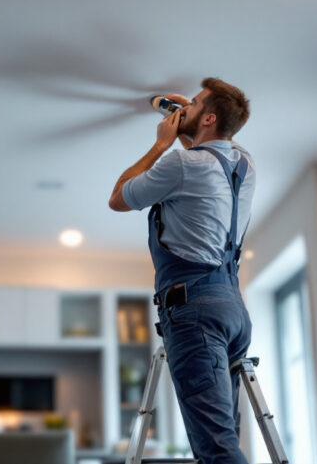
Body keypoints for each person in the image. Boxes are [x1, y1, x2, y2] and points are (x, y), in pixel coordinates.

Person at [108, 78, 256, 464]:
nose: (184, 107)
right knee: (223, 435)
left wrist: (160, 144)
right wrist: (188, 117)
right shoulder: (243, 165)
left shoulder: (180, 163)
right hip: (232, 309)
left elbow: (118, 198)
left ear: (208, 117)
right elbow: (210, 150)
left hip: (195, 313)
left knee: (217, 450)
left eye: (194, 103)